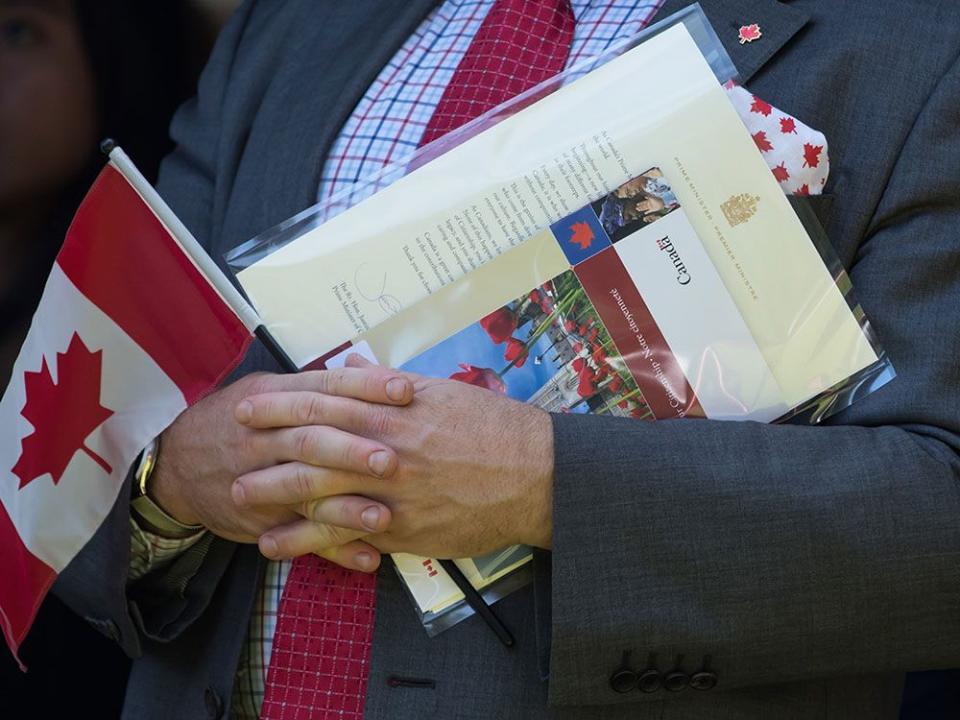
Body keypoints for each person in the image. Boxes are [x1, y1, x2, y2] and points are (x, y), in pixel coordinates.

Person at [50, 1, 960, 719]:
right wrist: (166, 481)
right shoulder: (292, 23)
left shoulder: (917, 48)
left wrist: (547, 482)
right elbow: (70, 418)